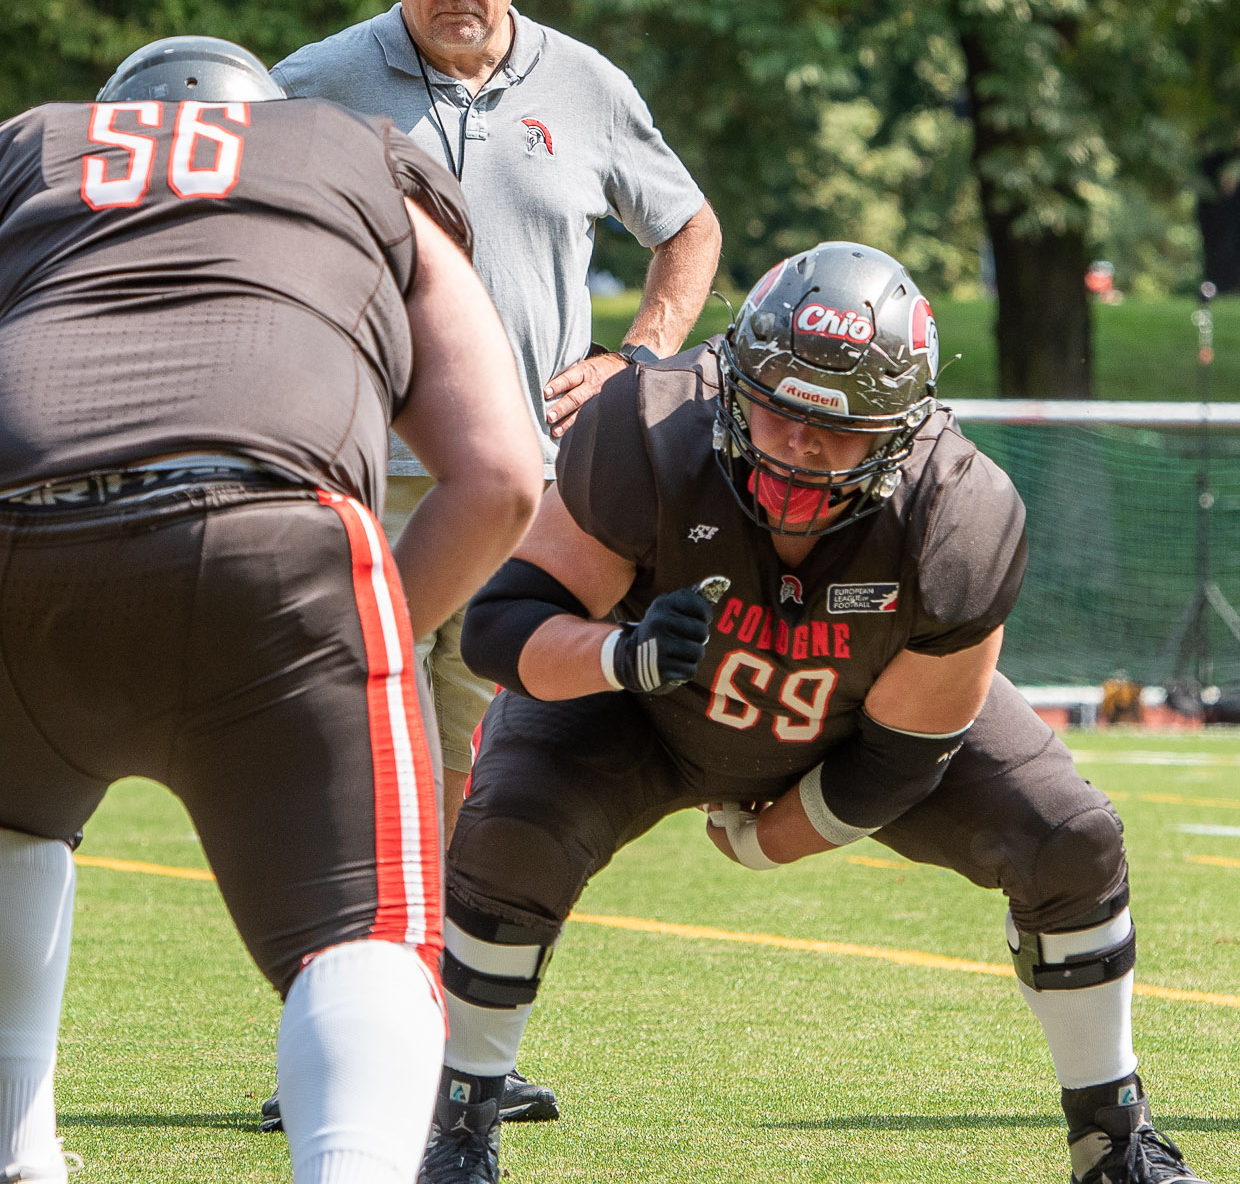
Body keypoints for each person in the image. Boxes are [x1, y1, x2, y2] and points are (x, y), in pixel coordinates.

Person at [0, 36, 544, 1184]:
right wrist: (367, 636)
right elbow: (500, 473)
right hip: (273, 533)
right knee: (360, 939)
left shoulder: (20, 152)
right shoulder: (357, 152)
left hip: (3, 546)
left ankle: (7, 1153)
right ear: (269, 120)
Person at [422, 242, 1209, 1184]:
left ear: (903, 433)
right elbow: (503, 626)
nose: (799, 448)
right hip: (643, 708)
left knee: (1070, 836)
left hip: (856, 721)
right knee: (512, 828)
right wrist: (617, 654)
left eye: (839, 431)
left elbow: (909, 753)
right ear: (732, 380)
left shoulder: (959, 517)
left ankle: (1113, 1138)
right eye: (781, 410)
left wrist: (771, 839)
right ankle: (460, 1120)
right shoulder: (648, 432)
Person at [272, 0, 723, 848]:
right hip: (356, 475)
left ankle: (447, 971)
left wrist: (635, 361)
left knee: (484, 768)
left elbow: (688, 232)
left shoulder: (586, 85)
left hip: (524, 486)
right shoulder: (308, 85)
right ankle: (372, 962)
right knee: (352, 744)